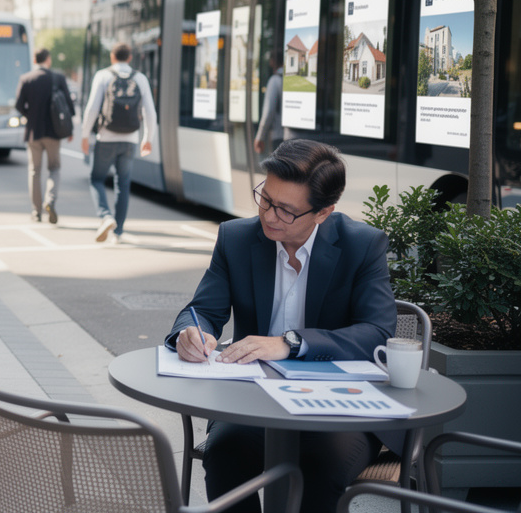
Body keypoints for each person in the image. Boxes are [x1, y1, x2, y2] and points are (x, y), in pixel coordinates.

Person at [166, 139, 396, 513]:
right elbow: (201, 310)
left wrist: (290, 343)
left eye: (286, 210)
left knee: (322, 465)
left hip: (339, 406)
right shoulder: (236, 238)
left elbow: (377, 333)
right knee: (224, 455)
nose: (270, 216)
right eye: (265, 199)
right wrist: (189, 333)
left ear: (323, 212)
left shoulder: (362, 245)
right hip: (253, 399)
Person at [80, 43, 157, 244]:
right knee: (123, 184)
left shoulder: (103, 76)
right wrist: (147, 139)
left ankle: (105, 216)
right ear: (130, 58)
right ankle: (119, 232)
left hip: (106, 138)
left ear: (113, 57)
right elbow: (150, 111)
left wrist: (85, 135)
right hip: (130, 140)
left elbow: (92, 108)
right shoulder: (140, 78)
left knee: (96, 179)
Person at [15, 48, 76, 223]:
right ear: (48, 60)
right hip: (54, 133)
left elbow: (19, 105)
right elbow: (68, 106)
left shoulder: (26, 79)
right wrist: (69, 131)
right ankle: (50, 200)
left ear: (35, 60)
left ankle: (36, 211)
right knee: (54, 168)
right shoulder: (58, 77)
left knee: (34, 171)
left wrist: (30, 115)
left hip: (34, 133)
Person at [254, 53, 285, 155]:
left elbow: (269, 111)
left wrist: (260, 136)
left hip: (279, 135)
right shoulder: (290, 80)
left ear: (273, 62)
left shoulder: (274, 80)